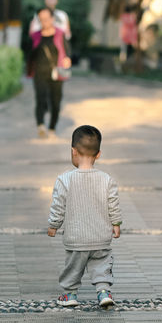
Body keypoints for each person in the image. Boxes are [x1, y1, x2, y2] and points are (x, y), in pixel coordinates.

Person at [47, 125, 122, 309]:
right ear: (98, 154)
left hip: (76, 237)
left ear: (73, 152)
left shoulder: (64, 180)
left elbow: (58, 206)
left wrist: (53, 225)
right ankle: (103, 292)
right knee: (101, 265)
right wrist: (116, 223)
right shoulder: (107, 179)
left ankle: (70, 294)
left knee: (73, 267)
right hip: (100, 237)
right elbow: (113, 203)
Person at [28, 7, 71, 138]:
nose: (44, 22)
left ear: (52, 19)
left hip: (57, 72)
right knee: (40, 99)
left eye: (46, 19)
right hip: (40, 72)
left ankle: (52, 128)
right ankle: (40, 125)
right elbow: (30, 54)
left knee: (56, 102)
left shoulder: (60, 33)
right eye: (41, 19)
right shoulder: (35, 36)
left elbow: (67, 50)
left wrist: (67, 59)